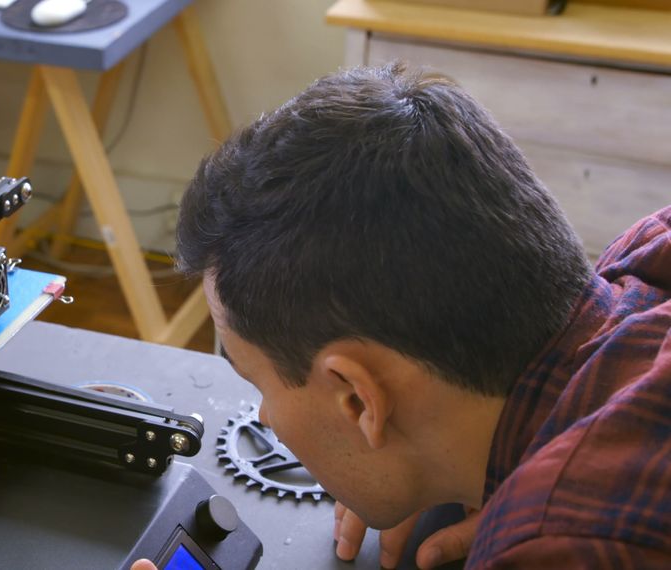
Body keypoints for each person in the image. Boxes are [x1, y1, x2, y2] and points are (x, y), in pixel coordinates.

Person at [133, 63, 671, 569]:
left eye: (260, 385)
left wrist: (537, 526)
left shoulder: (565, 545)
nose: (265, 419)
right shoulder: (648, 248)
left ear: (359, 399)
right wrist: (434, 463)